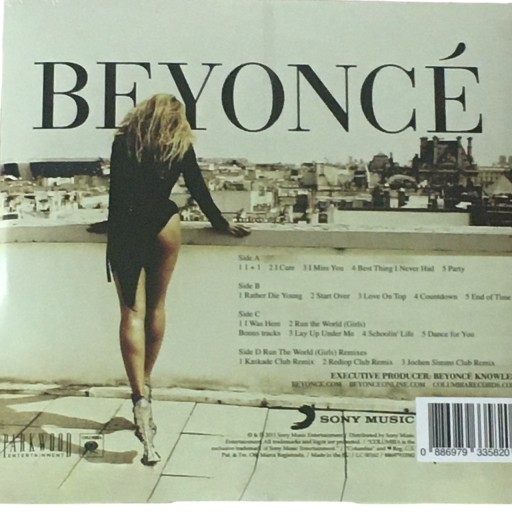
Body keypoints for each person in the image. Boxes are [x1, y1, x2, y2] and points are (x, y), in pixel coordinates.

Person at [106, 93, 250, 465]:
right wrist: (221, 223)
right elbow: (198, 188)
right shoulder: (179, 144)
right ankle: (146, 384)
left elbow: (117, 194)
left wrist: (111, 229)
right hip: (165, 225)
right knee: (157, 307)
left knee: (131, 313)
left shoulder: (124, 142)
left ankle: (139, 397)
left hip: (127, 228)